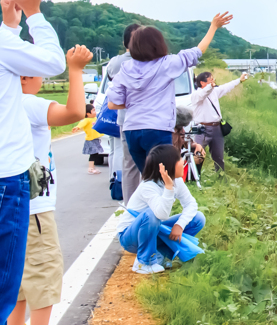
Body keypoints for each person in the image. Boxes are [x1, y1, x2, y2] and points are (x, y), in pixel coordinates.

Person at [0, 0, 66, 325]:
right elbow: (53, 62)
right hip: (6, 178)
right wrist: (34, 13)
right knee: (5, 282)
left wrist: (9, 21)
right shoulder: (4, 45)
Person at [7, 46, 92, 325]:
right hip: (33, 205)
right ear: (26, 74)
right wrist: (75, 70)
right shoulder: (26, 103)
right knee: (43, 267)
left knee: (16, 271)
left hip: (12, 202)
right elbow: (73, 113)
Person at [106, 13, 232, 181]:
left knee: (148, 180)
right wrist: (213, 27)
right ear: (158, 44)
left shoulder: (126, 68)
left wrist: (137, 103)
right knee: (165, 180)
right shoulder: (166, 63)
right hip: (157, 129)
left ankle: (140, 207)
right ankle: (171, 206)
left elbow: (113, 104)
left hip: (132, 131)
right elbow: (198, 51)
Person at [117, 144, 206, 275]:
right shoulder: (148, 186)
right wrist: (169, 188)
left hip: (154, 229)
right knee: (151, 215)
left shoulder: (177, 181)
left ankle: (161, 256)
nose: (183, 162)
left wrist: (180, 225)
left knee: (198, 219)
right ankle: (143, 262)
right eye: (179, 160)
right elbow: (161, 214)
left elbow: (191, 204)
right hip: (130, 237)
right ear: (168, 165)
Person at [105, 23, 141, 201]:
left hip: (124, 118)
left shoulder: (115, 63)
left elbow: (112, 81)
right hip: (146, 119)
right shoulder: (149, 60)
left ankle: (129, 203)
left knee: (128, 163)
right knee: (150, 161)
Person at [190, 71, 247, 173]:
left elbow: (226, 87)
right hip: (200, 128)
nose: (213, 81)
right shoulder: (196, 94)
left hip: (216, 128)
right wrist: (210, 87)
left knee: (219, 157)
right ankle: (194, 178)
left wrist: (239, 80)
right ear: (202, 83)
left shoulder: (214, 91)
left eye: (213, 79)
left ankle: (221, 179)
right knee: (197, 155)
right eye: (210, 79)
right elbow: (203, 94)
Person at [71, 104, 103, 174]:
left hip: (96, 139)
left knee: (96, 154)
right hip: (90, 140)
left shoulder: (95, 118)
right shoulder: (87, 120)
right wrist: (77, 127)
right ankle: (90, 169)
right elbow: (81, 124)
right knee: (93, 154)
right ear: (88, 114)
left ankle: (93, 167)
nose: (95, 112)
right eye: (93, 110)